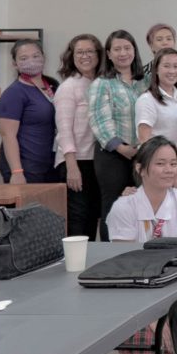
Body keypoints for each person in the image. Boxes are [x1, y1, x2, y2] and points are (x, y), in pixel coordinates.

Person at [88, 29, 147, 241]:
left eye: (127, 48)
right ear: (109, 54)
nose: (123, 53)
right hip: (112, 154)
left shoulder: (145, 82)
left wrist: (141, 150)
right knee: (113, 205)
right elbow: (99, 120)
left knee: (141, 203)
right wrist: (121, 147)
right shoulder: (102, 83)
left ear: (134, 51)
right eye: (117, 49)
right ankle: (108, 254)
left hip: (142, 154)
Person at [54, 33, 104, 239]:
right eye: (80, 52)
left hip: (96, 161)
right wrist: (72, 167)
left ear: (99, 55)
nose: (85, 56)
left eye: (90, 51)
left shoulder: (101, 83)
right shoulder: (69, 87)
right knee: (78, 219)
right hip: (75, 162)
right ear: (71, 56)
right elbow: (63, 131)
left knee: (93, 217)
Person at [107, 136, 177, 242]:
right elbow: (123, 255)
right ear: (140, 169)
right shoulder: (123, 207)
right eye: (160, 163)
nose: (169, 170)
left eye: (173, 164)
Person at [0, 39, 60, 184]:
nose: (31, 61)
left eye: (36, 56)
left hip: (49, 163)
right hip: (26, 167)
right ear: (15, 64)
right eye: (24, 58)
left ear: (43, 58)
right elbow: (8, 135)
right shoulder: (14, 93)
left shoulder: (52, 86)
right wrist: (17, 172)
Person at [135, 48, 177, 143]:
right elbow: (144, 140)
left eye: (176, 66)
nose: (172, 71)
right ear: (156, 70)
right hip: (160, 156)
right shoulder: (147, 100)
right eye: (166, 66)